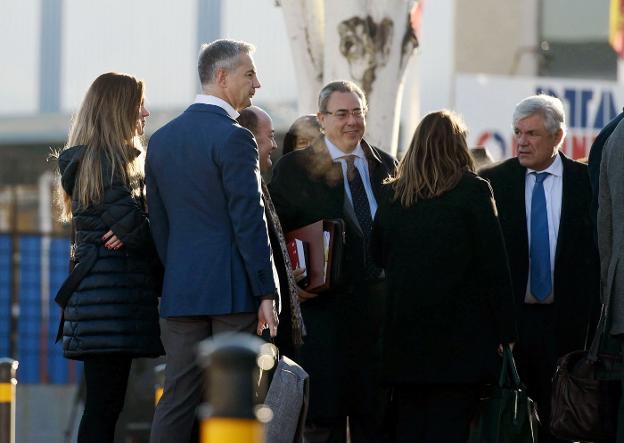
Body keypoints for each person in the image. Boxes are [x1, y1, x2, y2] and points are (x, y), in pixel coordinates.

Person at [146, 39, 280, 443]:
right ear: (221, 77)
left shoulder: (161, 140)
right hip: (232, 292)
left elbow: (160, 224)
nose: (257, 83)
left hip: (182, 291)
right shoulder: (236, 138)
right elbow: (248, 220)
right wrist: (265, 289)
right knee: (234, 401)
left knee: (176, 400)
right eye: (249, 73)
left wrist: (179, 275)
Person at [370, 110, 516, 443]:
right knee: (449, 428)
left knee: (408, 428)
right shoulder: (474, 191)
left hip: (403, 340)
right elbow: (496, 267)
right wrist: (507, 331)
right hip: (459, 343)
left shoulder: (393, 195)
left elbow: (376, 255)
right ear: (457, 145)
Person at [269, 80, 397, 443]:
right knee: (323, 425)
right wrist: (288, 283)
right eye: (342, 114)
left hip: (377, 326)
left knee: (375, 424)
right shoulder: (295, 169)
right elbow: (274, 232)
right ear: (322, 119)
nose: (352, 121)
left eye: (358, 112)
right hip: (323, 322)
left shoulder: (385, 165)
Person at [480, 94, 600, 443]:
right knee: (513, 426)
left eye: (531, 133)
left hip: (570, 328)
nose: (521, 141)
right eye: (517, 132)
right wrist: (498, 327)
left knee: (562, 424)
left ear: (557, 136)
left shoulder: (587, 182)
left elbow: (596, 257)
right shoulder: (493, 183)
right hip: (513, 329)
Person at [54, 72, 164, 443]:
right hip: (109, 304)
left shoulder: (107, 162)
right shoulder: (105, 163)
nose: (145, 113)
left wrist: (138, 225)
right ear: (118, 110)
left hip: (105, 302)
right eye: (138, 106)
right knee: (104, 408)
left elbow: (133, 230)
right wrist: (144, 223)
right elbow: (138, 233)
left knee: (104, 406)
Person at [237, 105, 306, 356]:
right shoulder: (247, 193)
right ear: (250, 140)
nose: (275, 145)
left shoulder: (260, 187)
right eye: (271, 136)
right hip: (257, 321)